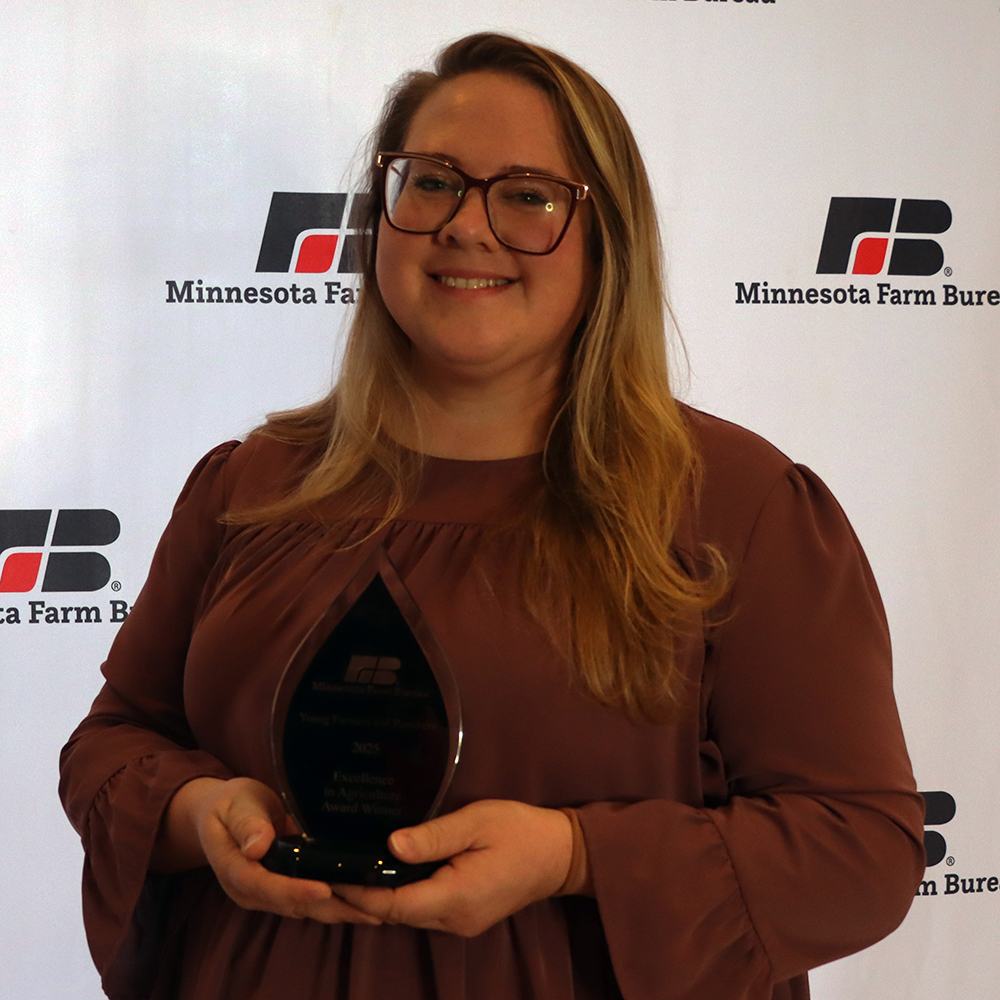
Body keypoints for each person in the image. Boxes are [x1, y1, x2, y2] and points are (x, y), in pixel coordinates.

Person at [60, 32, 924, 1000]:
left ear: (608, 240)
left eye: (527, 195)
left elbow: (862, 847)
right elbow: (114, 740)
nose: (467, 226)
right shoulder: (248, 486)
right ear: (380, 212)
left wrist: (570, 854)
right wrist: (199, 810)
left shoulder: (737, 503)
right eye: (430, 181)